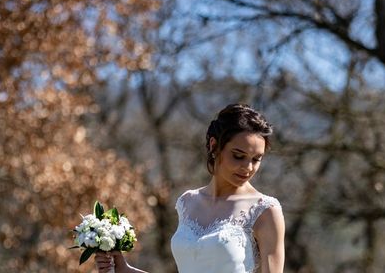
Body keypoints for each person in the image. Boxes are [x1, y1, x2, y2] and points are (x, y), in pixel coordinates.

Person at [95, 103, 285, 273]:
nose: (248, 167)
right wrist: (124, 269)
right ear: (214, 145)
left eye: (256, 159)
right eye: (238, 156)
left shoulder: (265, 211)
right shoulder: (187, 202)